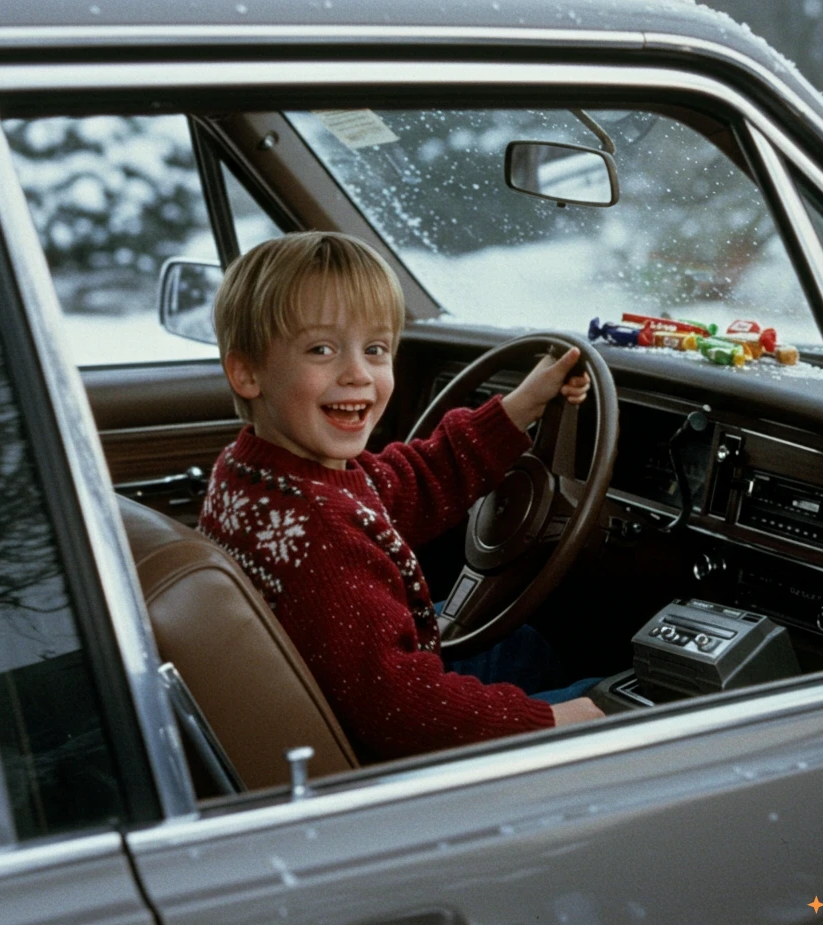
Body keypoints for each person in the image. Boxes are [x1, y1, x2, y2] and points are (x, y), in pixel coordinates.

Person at [199, 231, 605, 763]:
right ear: (246, 372)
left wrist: (523, 406)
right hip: (381, 748)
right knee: (627, 704)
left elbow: (401, 483)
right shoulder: (321, 536)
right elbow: (401, 711)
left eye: (376, 349)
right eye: (322, 349)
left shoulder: (256, 472)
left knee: (521, 644)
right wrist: (552, 720)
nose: (357, 374)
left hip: (341, 688)